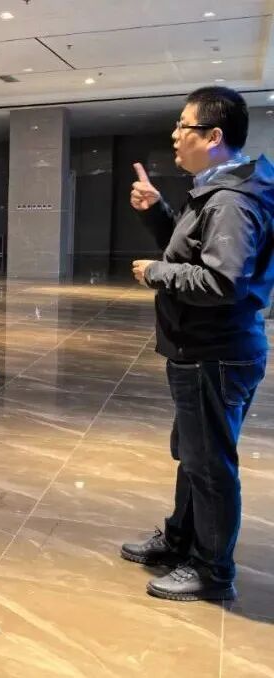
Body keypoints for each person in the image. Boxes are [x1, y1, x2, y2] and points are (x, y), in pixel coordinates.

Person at [122, 86, 274, 602]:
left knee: (209, 465)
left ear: (213, 136)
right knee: (195, 456)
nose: (175, 135)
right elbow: (196, 253)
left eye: (183, 125)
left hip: (215, 351)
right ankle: (181, 540)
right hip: (205, 348)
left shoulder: (231, 200)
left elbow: (222, 282)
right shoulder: (220, 189)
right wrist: (157, 212)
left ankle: (211, 570)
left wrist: (157, 273)